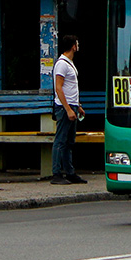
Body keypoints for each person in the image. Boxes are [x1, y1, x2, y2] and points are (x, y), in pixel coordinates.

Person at [51, 34, 87, 184]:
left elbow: (71, 88)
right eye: (77, 43)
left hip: (72, 106)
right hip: (64, 107)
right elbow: (58, 88)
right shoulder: (62, 64)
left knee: (69, 141)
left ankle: (70, 172)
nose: (78, 46)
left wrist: (77, 106)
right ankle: (56, 173)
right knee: (60, 140)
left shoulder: (69, 63)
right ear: (73, 46)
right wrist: (68, 109)